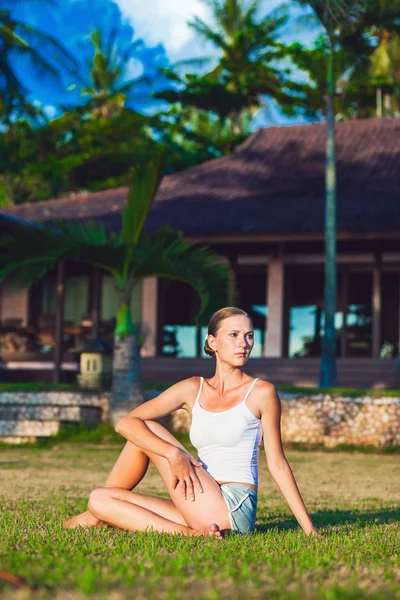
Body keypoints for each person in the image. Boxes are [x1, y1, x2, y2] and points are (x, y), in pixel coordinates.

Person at [64, 307, 322, 538]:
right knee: (100, 497)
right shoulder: (192, 388)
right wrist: (172, 452)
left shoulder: (261, 392)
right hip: (200, 499)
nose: (243, 343)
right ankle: (104, 516)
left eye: (249, 335)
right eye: (233, 335)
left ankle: (187, 534)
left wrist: (309, 530)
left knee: (151, 428)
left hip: (233, 508)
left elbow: (277, 464)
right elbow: (125, 423)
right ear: (213, 341)